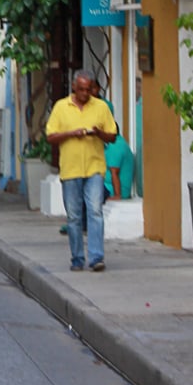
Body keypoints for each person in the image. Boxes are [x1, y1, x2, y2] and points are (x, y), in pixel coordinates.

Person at [46, 69, 117, 272]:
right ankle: (77, 257)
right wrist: (71, 134)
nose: (86, 94)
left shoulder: (101, 107)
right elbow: (51, 136)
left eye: (89, 90)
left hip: (94, 167)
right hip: (70, 169)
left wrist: (98, 132)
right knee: (74, 216)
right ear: (74, 88)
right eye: (82, 90)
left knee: (95, 211)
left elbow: (112, 136)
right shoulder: (61, 107)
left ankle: (96, 257)